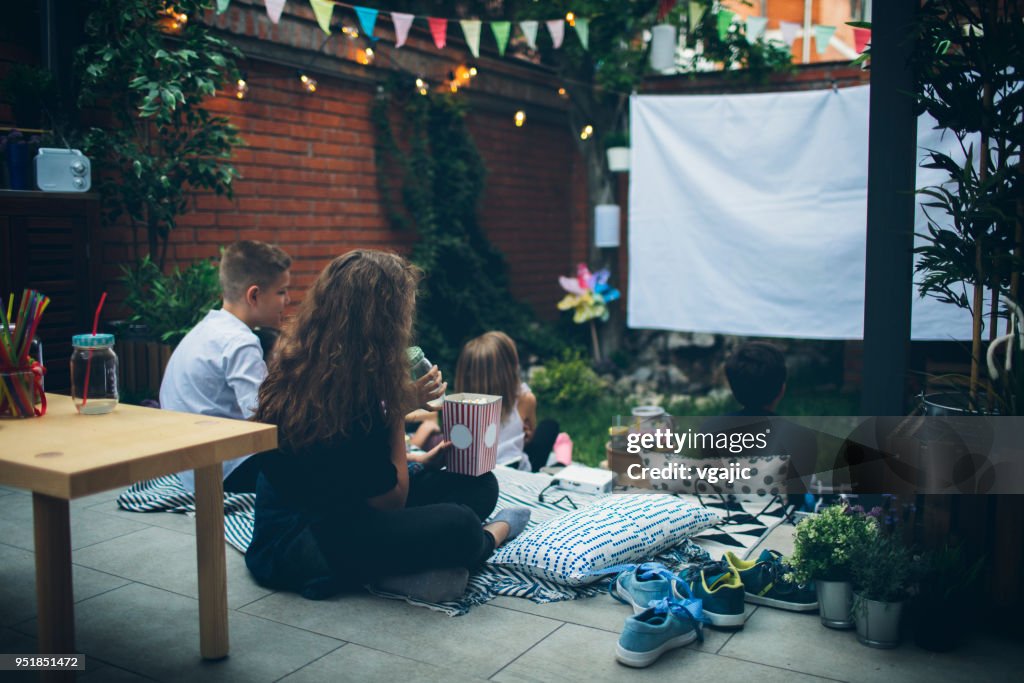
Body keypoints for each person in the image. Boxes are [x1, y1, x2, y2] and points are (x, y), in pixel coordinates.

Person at [245, 250, 529, 600]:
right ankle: (491, 537)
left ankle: (402, 567)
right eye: (403, 312)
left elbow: (347, 471)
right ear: (381, 320)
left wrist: (419, 462)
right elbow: (391, 502)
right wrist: (397, 407)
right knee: (460, 525)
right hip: (301, 542)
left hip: (344, 509)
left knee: (480, 484)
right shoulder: (347, 388)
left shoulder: (319, 360)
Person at [159, 240, 292, 493]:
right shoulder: (241, 342)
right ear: (254, 295)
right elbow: (264, 417)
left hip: (187, 466)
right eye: (282, 291)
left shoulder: (209, 327)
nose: (288, 299)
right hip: (223, 472)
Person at [455, 331, 559, 473]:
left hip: (474, 470)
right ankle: (562, 459)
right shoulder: (525, 399)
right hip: (513, 469)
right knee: (549, 426)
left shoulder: (460, 407)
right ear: (510, 367)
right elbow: (530, 437)